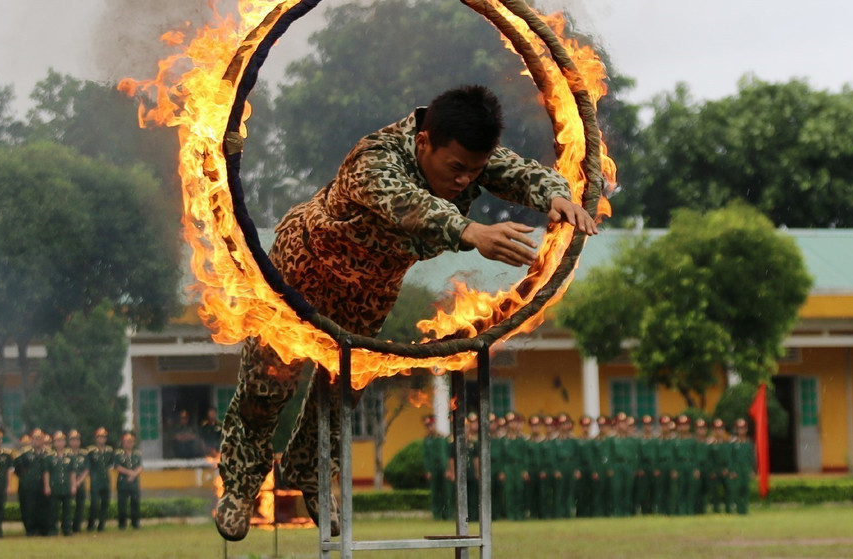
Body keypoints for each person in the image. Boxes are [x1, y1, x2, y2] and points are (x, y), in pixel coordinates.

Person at [214, 85, 597, 541]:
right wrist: (470, 230)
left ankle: (311, 471)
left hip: (370, 290)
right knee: (265, 388)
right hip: (304, 268)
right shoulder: (375, 157)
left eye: (473, 171)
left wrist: (555, 195)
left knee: (344, 390)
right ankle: (239, 488)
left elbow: (519, 172)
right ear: (424, 143)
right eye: (456, 168)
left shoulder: (469, 157)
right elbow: (407, 205)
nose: (463, 180)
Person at [43, 430, 75, 536]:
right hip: (54, 486)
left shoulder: (69, 456)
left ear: (64, 442)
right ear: (54, 443)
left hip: (66, 486)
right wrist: (47, 486)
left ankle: (67, 529)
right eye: (57, 441)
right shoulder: (49, 457)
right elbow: (46, 473)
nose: (59, 443)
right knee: (53, 510)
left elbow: (72, 473)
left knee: (67, 509)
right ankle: (52, 529)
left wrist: (73, 485)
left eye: (61, 440)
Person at [420, 414, 451, 521]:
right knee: (435, 492)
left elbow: (446, 454)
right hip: (433, 469)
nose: (430, 428)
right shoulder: (426, 440)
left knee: (445, 492)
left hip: (443, 468)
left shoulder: (441, 438)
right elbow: (426, 456)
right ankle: (436, 514)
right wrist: (427, 470)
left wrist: (448, 469)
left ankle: (446, 514)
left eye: (431, 425)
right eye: (427, 426)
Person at [85, 427, 114, 532]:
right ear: (96, 438)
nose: (102, 439)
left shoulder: (109, 451)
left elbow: (110, 464)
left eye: (104, 437)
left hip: (105, 480)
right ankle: (91, 524)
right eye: (100, 437)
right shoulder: (91, 451)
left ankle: (101, 525)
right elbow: (88, 466)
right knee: (94, 503)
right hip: (95, 480)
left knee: (105, 503)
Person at [114, 431, 143, 529]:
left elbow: (140, 467)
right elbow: (118, 467)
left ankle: (135, 523)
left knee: (135, 503)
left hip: (134, 482)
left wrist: (134, 474)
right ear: (123, 443)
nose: (129, 443)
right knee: (122, 504)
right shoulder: (118, 454)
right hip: (123, 482)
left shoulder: (137, 454)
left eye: (131, 441)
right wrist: (129, 473)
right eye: (127, 441)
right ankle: (122, 524)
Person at [68, 430, 89, 533]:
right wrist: (72, 483)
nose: (74, 442)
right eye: (72, 440)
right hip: (68, 484)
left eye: (76, 440)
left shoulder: (84, 454)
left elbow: (86, 469)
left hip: (80, 483)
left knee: (80, 505)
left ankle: (77, 526)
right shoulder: (66, 453)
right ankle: (67, 525)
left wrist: (79, 481)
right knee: (68, 506)